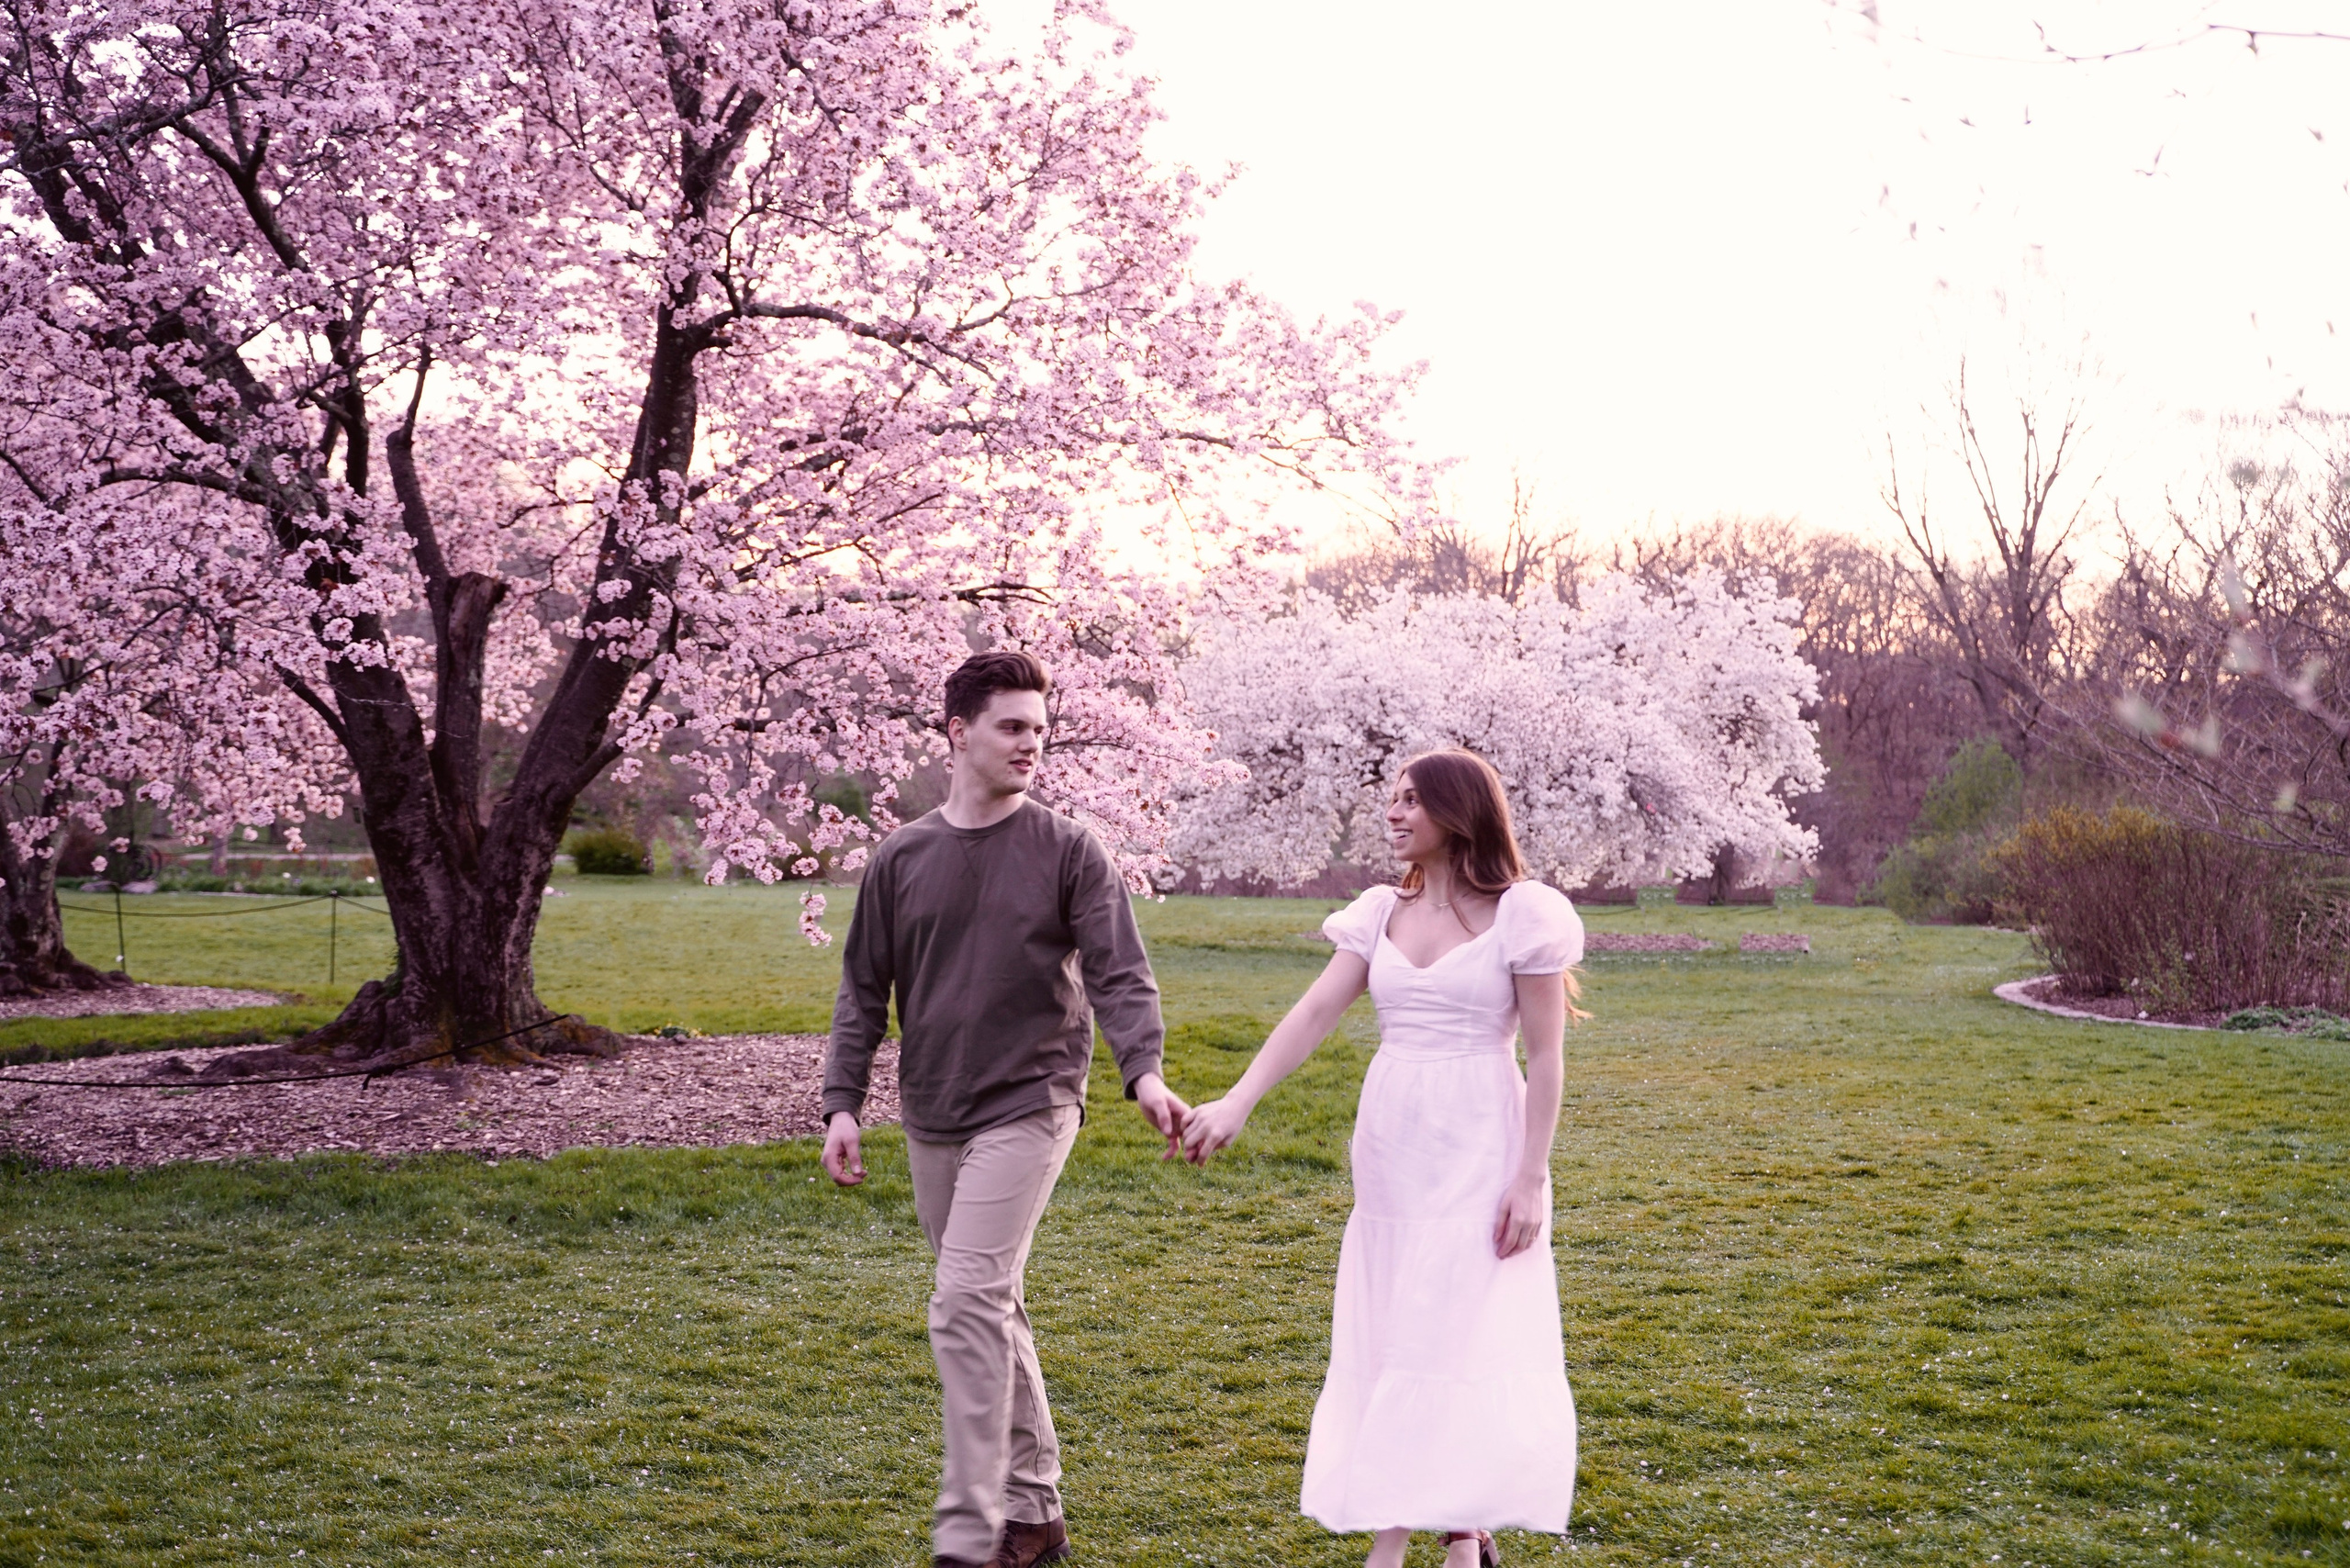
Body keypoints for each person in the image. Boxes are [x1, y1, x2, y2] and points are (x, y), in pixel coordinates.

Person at [822, 648, 1191, 1568]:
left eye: (1040, 726)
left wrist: (1143, 1073)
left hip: (1032, 1099)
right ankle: (1036, 1514)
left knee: (964, 1300)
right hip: (932, 1105)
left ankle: (973, 1522)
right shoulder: (900, 858)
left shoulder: (1069, 849)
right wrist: (841, 1101)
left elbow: (1120, 974)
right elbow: (862, 990)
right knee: (990, 1303)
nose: (1034, 742)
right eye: (1013, 726)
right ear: (958, 732)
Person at [1181, 749, 1584, 1568]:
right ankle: (1456, 1527)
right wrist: (1237, 1100)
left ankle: (1411, 1538)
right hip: (1396, 1138)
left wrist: (1531, 1177)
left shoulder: (1524, 915)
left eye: (1411, 801)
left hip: (1483, 1131)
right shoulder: (1376, 912)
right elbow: (1313, 1013)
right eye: (1391, 799)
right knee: (1402, 1321)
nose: (1393, 814)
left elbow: (1546, 1059)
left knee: (1458, 1322)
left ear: (1458, 812)